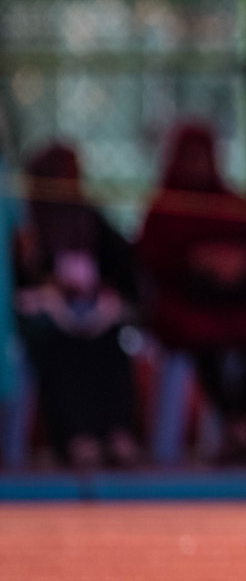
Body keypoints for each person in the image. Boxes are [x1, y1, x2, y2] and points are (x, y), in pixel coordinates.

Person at [136, 123, 246, 465]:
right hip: (187, 301)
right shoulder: (164, 205)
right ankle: (237, 423)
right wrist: (197, 262)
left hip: (238, 300)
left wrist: (238, 264)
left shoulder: (232, 202)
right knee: (202, 335)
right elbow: (150, 259)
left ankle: (239, 418)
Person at [12, 143, 140, 468]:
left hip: (93, 312)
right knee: (58, 347)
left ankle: (116, 432)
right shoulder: (25, 223)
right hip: (44, 319)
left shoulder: (91, 219)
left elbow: (124, 270)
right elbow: (19, 280)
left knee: (110, 344)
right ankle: (76, 436)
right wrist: (50, 284)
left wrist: (97, 290)